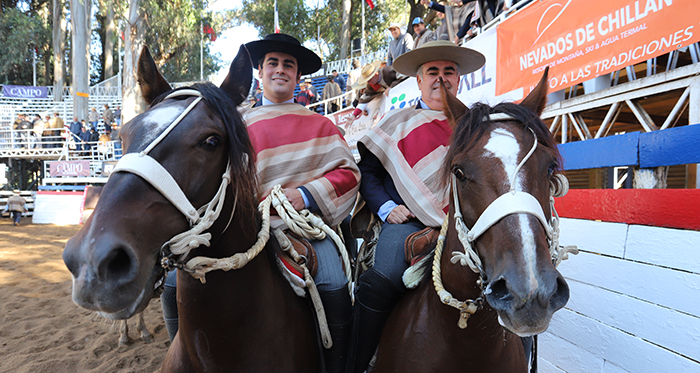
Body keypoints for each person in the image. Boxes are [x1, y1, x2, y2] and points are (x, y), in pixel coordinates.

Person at [346, 40, 485, 373]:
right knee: (382, 279)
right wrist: (385, 208)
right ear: (419, 81)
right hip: (408, 222)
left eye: (448, 71)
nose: (441, 79)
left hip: (470, 227)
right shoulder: (396, 124)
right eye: (432, 72)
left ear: (459, 79)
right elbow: (367, 173)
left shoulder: (478, 126)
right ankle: (356, 364)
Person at [244, 33, 360, 373]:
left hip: (308, 230)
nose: (280, 70)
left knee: (334, 286)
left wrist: (306, 194)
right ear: (261, 73)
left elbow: (349, 174)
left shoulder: (321, 124)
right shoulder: (237, 126)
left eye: (288, 65)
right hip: (249, 227)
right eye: (273, 63)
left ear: (297, 77)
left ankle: (339, 367)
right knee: (182, 285)